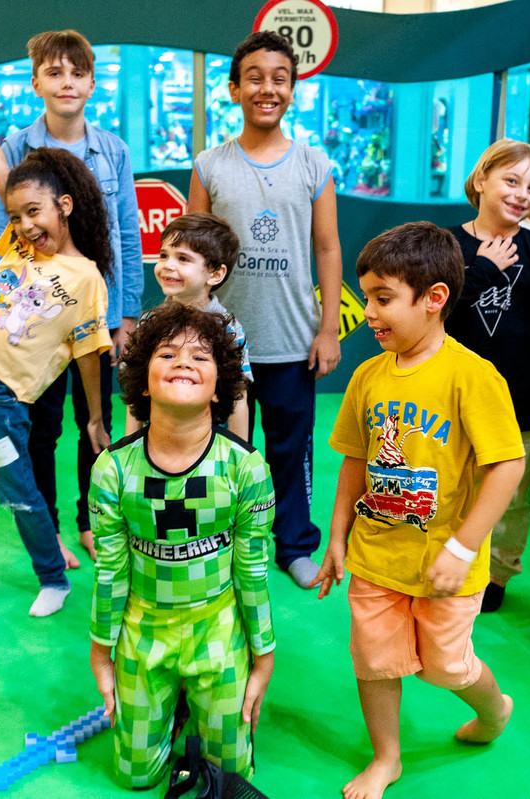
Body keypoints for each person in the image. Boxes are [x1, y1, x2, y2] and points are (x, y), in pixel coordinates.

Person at [311, 222, 523, 799]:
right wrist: (337, 538)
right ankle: (387, 758)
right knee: (375, 661)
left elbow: (507, 466)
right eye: (367, 298)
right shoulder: (368, 376)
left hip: (444, 564)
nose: (371, 314)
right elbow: (355, 460)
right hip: (377, 556)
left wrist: (463, 547)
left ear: (433, 300)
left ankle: (495, 708)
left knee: (445, 668)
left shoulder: (472, 376)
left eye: (384, 299)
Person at [0, 74, 113, 620]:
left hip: (0, 400)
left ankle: (52, 579)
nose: (25, 225)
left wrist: (97, 419)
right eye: (15, 216)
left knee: (19, 492)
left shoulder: (85, 278)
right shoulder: (14, 239)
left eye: (35, 213)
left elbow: (86, 355)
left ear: (64, 205)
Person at [88, 302, 275, 788]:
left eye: (201, 357)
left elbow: (252, 569)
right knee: (135, 776)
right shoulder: (112, 469)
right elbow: (110, 569)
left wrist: (263, 654)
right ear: (143, 384)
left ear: (220, 390)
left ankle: (199, 706)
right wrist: (101, 651)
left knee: (231, 776)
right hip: (143, 627)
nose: (184, 362)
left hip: (218, 625)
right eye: (167, 354)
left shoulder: (245, 468)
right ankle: (174, 710)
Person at [189, 31, 343, 589]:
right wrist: (191, 326)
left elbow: (327, 248)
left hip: (292, 339)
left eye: (280, 78)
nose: (267, 88)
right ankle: (225, 542)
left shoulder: (313, 164)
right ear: (234, 89)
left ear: (293, 90)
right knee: (223, 447)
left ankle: (296, 544)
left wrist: (329, 327)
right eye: (254, 77)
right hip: (223, 340)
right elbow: (193, 251)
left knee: (289, 446)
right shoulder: (209, 165)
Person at [0, 30, 143, 567]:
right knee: (43, 426)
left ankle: (88, 520)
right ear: (36, 83)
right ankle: (47, 526)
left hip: (97, 315)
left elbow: (125, 232)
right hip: (39, 318)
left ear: (93, 82)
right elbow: (2, 240)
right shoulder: (16, 149)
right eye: (54, 73)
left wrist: (126, 314)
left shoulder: (114, 150)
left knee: (94, 419)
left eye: (77, 73)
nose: (66, 83)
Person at [444, 139, 530, 613]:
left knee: (514, 494)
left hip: (524, 397)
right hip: (454, 397)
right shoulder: (446, 245)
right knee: (453, 483)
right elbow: (431, 313)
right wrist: (479, 270)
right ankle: (452, 560)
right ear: (481, 180)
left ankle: (496, 574)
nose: (522, 195)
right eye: (511, 181)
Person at [123, 212, 252, 437]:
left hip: (210, 448)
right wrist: (128, 444)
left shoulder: (229, 330)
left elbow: (237, 398)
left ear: (215, 274)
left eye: (183, 258)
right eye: (164, 255)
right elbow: (135, 393)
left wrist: (241, 454)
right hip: (157, 444)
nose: (167, 265)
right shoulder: (148, 323)